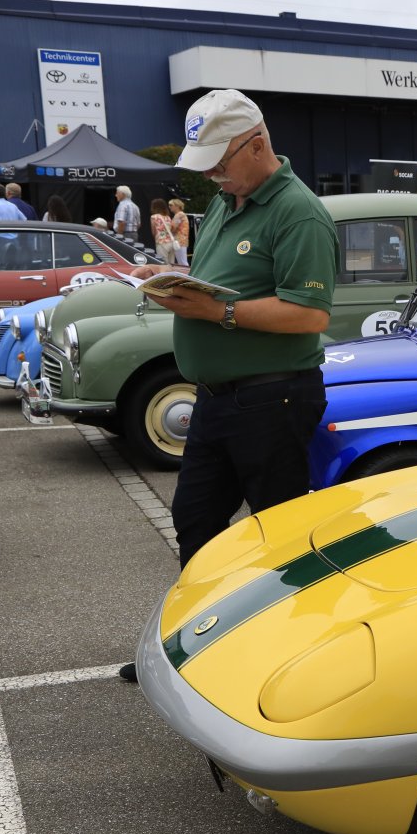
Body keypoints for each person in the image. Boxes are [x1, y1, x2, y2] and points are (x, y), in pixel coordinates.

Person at [120, 88, 336, 688]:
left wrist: (218, 313)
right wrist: (170, 278)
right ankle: (202, 649)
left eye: (220, 159)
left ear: (257, 144)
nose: (211, 173)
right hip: (221, 398)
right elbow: (220, 278)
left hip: (273, 398)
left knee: (280, 538)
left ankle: (288, 661)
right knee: (195, 522)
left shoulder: (298, 211)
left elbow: (310, 314)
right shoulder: (226, 200)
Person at [149, 198, 177, 262]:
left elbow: (153, 232)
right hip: (171, 242)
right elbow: (171, 229)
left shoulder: (153, 217)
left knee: (163, 263)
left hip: (161, 242)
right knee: (171, 263)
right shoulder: (168, 217)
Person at [168, 198, 191, 265]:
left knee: (182, 262)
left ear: (177, 206)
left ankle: (187, 272)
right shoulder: (181, 214)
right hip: (182, 241)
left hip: (179, 241)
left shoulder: (179, 215)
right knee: (182, 261)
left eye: (171, 205)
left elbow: (174, 228)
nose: (169, 207)